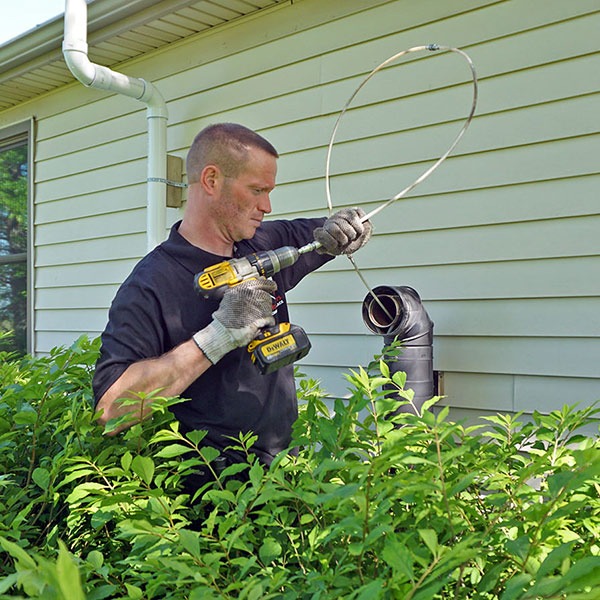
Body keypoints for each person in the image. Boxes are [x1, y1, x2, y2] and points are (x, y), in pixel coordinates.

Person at [92, 123, 371, 472]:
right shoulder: (150, 285)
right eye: (256, 190)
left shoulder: (265, 244)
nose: (267, 206)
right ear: (211, 180)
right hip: (208, 495)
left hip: (284, 474)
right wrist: (218, 336)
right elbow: (111, 410)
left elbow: (328, 233)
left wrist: (346, 228)